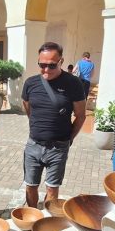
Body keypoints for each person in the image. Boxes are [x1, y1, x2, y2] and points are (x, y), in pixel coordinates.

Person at [21, 42, 86, 208]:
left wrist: (68, 139)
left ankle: (46, 222)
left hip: (58, 148)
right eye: (42, 65)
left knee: (52, 190)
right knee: (30, 186)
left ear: (61, 61)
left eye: (51, 65)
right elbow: (27, 107)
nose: (46, 70)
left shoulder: (73, 83)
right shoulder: (30, 83)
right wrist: (38, 126)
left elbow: (80, 116)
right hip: (33, 145)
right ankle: (32, 216)